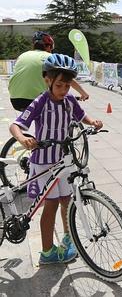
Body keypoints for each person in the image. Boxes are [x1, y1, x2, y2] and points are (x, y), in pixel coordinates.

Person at [9, 53, 103, 265]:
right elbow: (16, 125)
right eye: (59, 85)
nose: (64, 90)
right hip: (44, 162)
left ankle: (68, 239)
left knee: (66, 202)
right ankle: (47, 252)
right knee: (50, 206)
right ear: (48, 80)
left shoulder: (69, 100)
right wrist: (22, 137)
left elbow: (81, 116)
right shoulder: (40, 101)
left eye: (67, 86)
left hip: (64, 160)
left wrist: (93, 122)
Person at [8, 31, 89, 112]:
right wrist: (83, 93)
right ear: (49, 47)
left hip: (15, 100)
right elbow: (66, 78)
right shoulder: (50, 57)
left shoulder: (22, 55)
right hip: (36, 100)